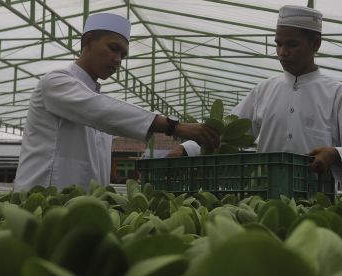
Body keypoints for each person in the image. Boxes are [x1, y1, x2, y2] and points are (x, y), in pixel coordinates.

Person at [14, 13, 219, 191]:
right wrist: (174, 126)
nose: (118, 59)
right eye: (113, 48)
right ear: (88, 41)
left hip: (79, 209)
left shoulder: (97, 100)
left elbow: (104, 115)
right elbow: (100, 110)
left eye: (123, 54)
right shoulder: (55, 82)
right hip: (40, 200)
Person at [169, 5, 342, 182]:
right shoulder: (263, 90)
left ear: (315, 44)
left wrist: (335, 154)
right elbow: (227, 134)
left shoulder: (337, 93)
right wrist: (186, 149)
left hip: (317, 197)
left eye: (291, 44)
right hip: (265, 197)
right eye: (278, 44)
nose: (282, 52)